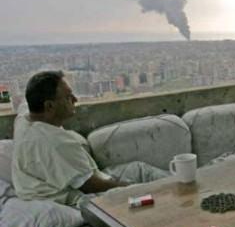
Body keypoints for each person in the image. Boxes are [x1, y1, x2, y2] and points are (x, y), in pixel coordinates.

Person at [12, 71, 168, 206]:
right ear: (49, 106)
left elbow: (24, 105)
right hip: (76, 197)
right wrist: (130, 188)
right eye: (68, 97)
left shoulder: (24, 119)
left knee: (140, 170)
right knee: (142, 193)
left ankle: (179, 185)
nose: (75, 99)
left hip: (78, 179)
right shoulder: (55, 143)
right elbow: (90, 185)